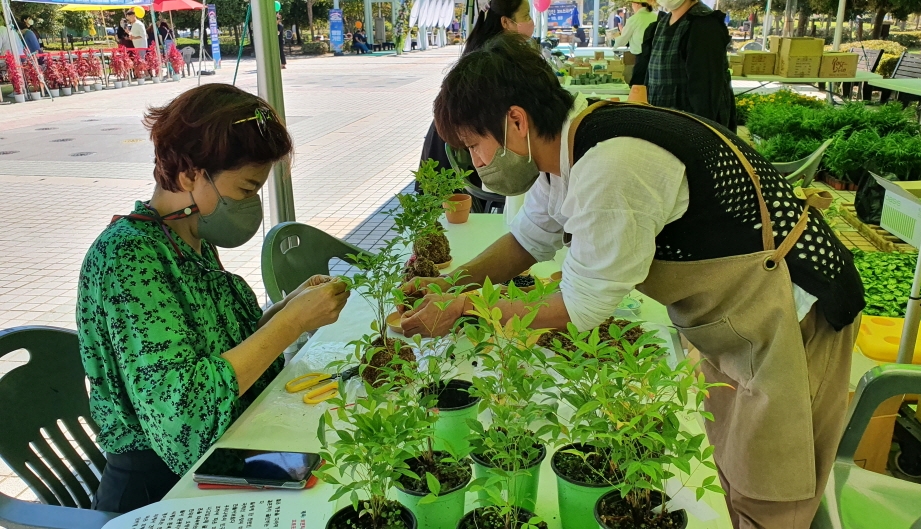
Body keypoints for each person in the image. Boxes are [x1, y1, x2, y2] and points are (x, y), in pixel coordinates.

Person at [404, 34, 864, 529]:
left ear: (516, 121)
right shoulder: (567, 149)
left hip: (793, 316)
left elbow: (576, 310)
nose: (475, 163)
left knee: (773, 491)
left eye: (474, 145)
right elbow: (526, 241)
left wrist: (469, 309)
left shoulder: (611, 166)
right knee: (732, 467)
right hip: (735, 322)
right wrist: (450, 287)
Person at [78, 84, 350, 514]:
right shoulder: (129, 259)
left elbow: (218, 356)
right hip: (163, 489)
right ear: (190, 175)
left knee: (341, 472)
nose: (253, 205)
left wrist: (288, 309)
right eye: (245, 190)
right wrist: (289, 324)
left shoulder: (190, 237)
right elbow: (183, 412)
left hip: (228, 449)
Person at [419, 0, 535, 202]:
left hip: (463, 138)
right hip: (454, 141)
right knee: (448, 208)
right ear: (506, 22)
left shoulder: (496, 51)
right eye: (525, 16)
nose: (531, 22)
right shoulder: (493, 58)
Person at [628, 0, 736, 130]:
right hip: (664, 125)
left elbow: (705, 96)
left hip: (690, 131)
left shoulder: (704, 26)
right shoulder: (660, 24)